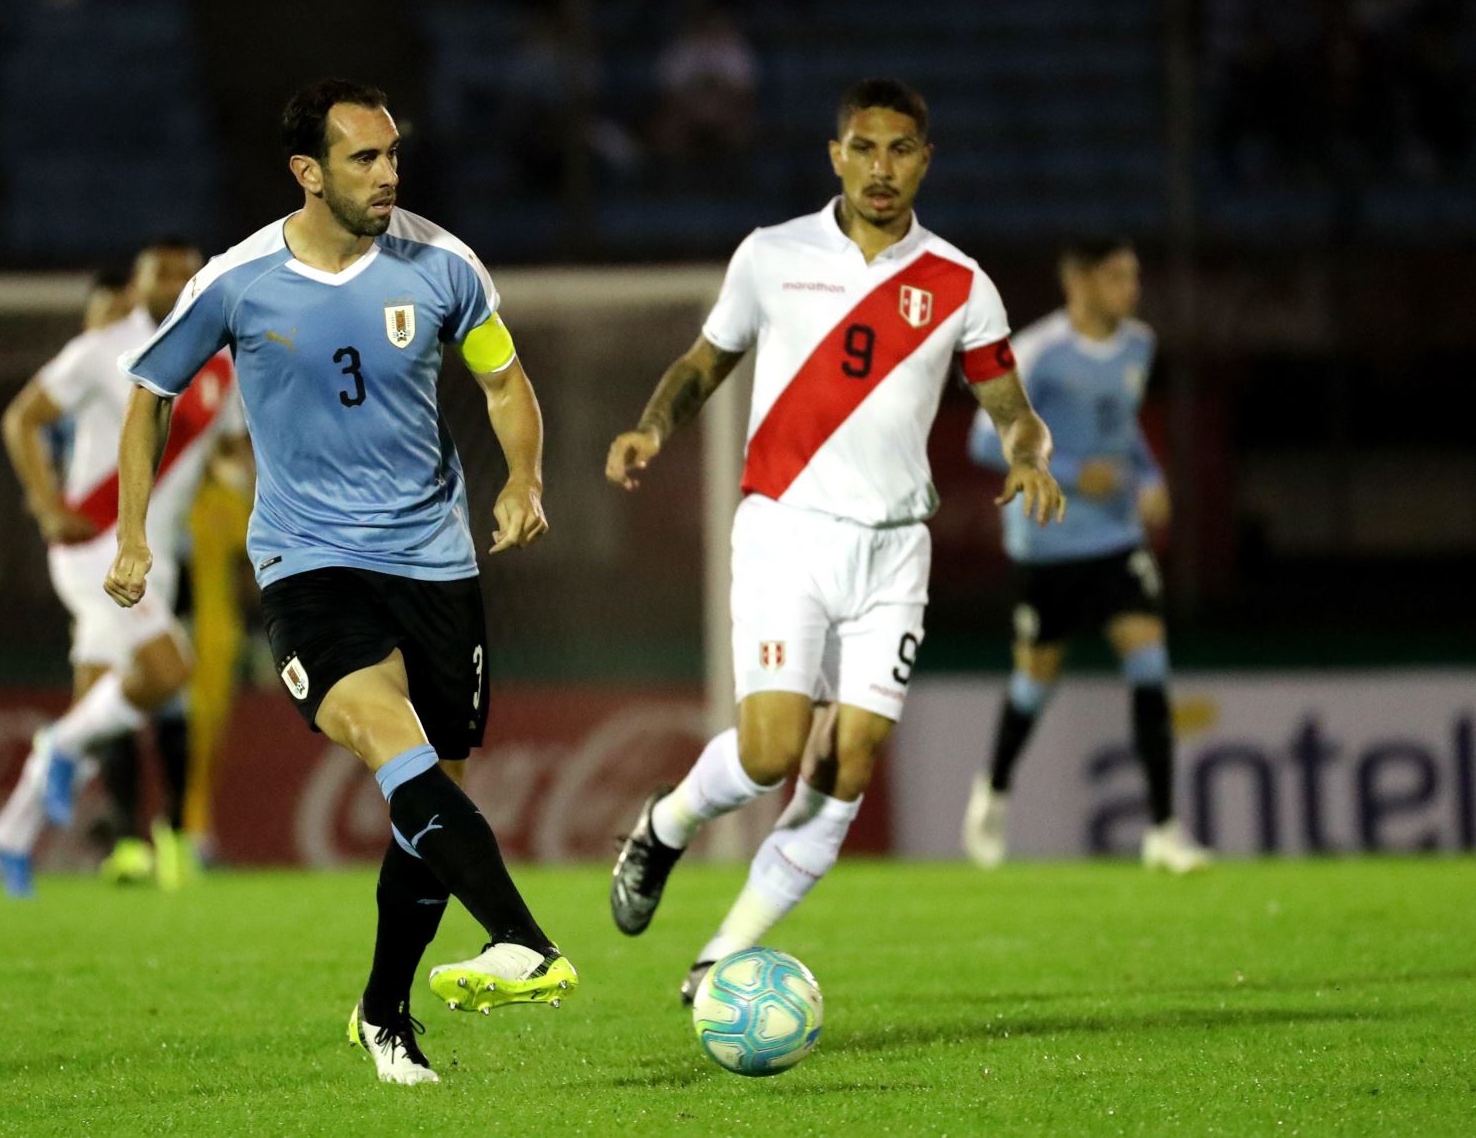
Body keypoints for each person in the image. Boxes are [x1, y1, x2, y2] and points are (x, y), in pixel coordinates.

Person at [106, 79, 577, 1085]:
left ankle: (383, 1013)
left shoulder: (443, 264)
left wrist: (525, 477)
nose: (389, 173)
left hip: (436, 559)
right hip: (307, 560)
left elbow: (502, 380)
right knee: (384, 734)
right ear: (307, 172)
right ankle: (523, 937)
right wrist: (134, 531)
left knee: (432, 794)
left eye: (393, 154)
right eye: (364, 158)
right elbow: (148, 394)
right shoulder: (238, 283)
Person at [605, 78, 1065, 1004]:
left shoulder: (961, 284)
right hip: (787, 532)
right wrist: (653, 427)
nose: (881, 167)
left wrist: (1030, 455)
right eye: (864, 147)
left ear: (925, 160)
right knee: (772, 751)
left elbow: (1012, 407)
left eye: (900, 149)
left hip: (895, 548)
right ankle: (664, 824)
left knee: (845, 765)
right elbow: (706, 361)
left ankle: (721, 958)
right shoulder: (772, 256)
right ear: (835, 155)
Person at [0, 240, 247, 899]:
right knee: (168, 673)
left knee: (101, 702)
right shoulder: (102, 349)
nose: (175, 281)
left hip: (159, 559)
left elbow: (233, 451)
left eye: (187, 271)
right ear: (140, 283)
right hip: (97, 545)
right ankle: (59, 751)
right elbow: (22, 418)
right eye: (162, 272)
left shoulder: (222, 361)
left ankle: (6, 837)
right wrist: (44, 504)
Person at [963, 237, 1212, 874]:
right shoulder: (1038, 352)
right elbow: (985, 443)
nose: (1130, 290)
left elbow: (1121, 425)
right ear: (1078, 281)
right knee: (1035, 681)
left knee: (1150, 660)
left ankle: (1162, 829)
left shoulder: (1139, 345)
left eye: (1134, 276)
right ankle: (992, 790)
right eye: (1117, 277)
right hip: (1049, 542)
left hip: (1116, 540)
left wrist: (1150, 474)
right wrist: (1072, 474)